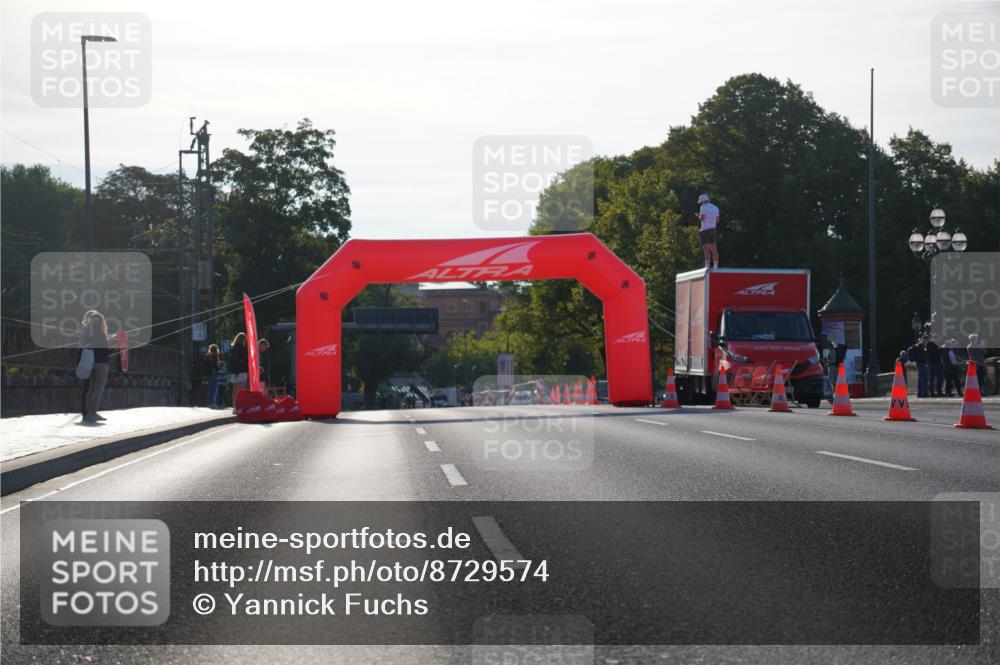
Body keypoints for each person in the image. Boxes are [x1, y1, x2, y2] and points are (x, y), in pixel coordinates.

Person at [77, 310, 113, 423]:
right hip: (101, 364)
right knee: (98, 389)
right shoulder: (101, 334)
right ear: (102, 322)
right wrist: (115, 344)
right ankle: (92, 412)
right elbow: (105, 351)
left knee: (91, 389)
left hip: (89, 362)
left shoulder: (87, 332)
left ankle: (88, 413)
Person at [697, 194, 720, 270]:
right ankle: (716, 266)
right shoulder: (715, 208)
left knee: (706, 249)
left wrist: (699, 216)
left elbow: (702, 218)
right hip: (713, 229)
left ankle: (707, 266)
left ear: (703, 201)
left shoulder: (703, 207)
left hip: (705, 229)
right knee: (714, 249)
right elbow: (717, 220)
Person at [227, 332, 249, 408]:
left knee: (234, 390)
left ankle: (234, 407)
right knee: (241, 390)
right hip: (242, 371)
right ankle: (240, 407)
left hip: (234, 372)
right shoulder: (243, 349)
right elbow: (246, 360)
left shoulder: (232, 349)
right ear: (243, 340)